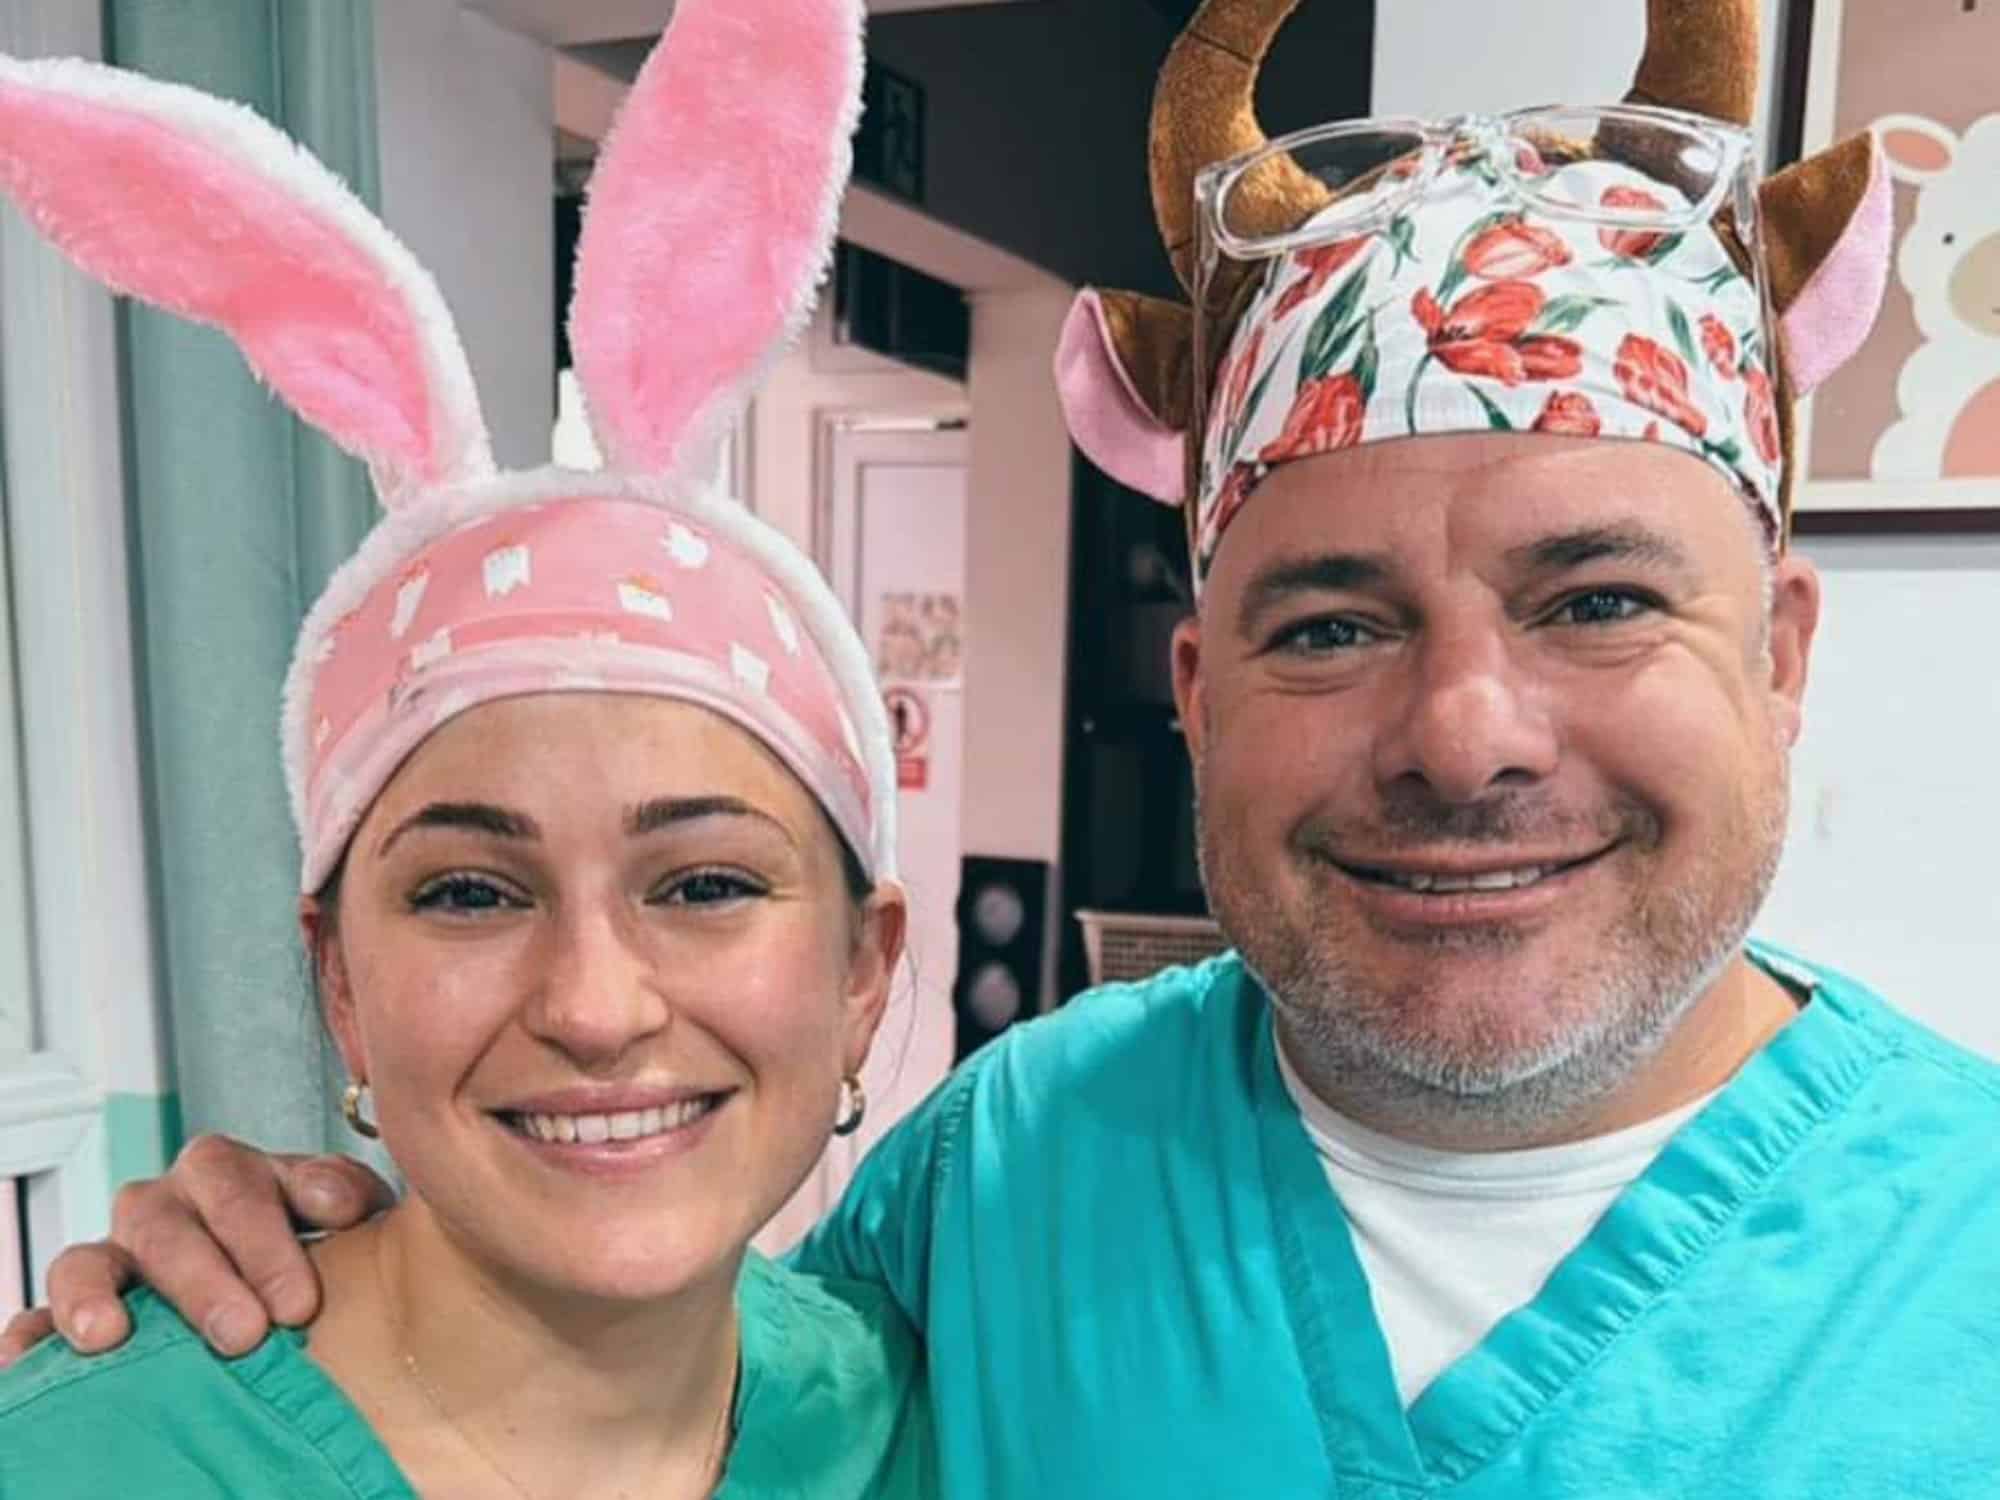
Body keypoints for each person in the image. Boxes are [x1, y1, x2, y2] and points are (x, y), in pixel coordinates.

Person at [12, 0, 2000, 1494]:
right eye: (1329, 625)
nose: (1465, 735)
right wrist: (251, 1286)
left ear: (1780, 658)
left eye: (1592, 603)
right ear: (1200, 687)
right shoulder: (998, 1191)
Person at [0, 3, 936, 1495]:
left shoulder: (921, 1414)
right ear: (341, 985)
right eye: (469, 893)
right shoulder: (80, 1463)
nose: (593, 1005)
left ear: (862, 973)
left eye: (700, 883)